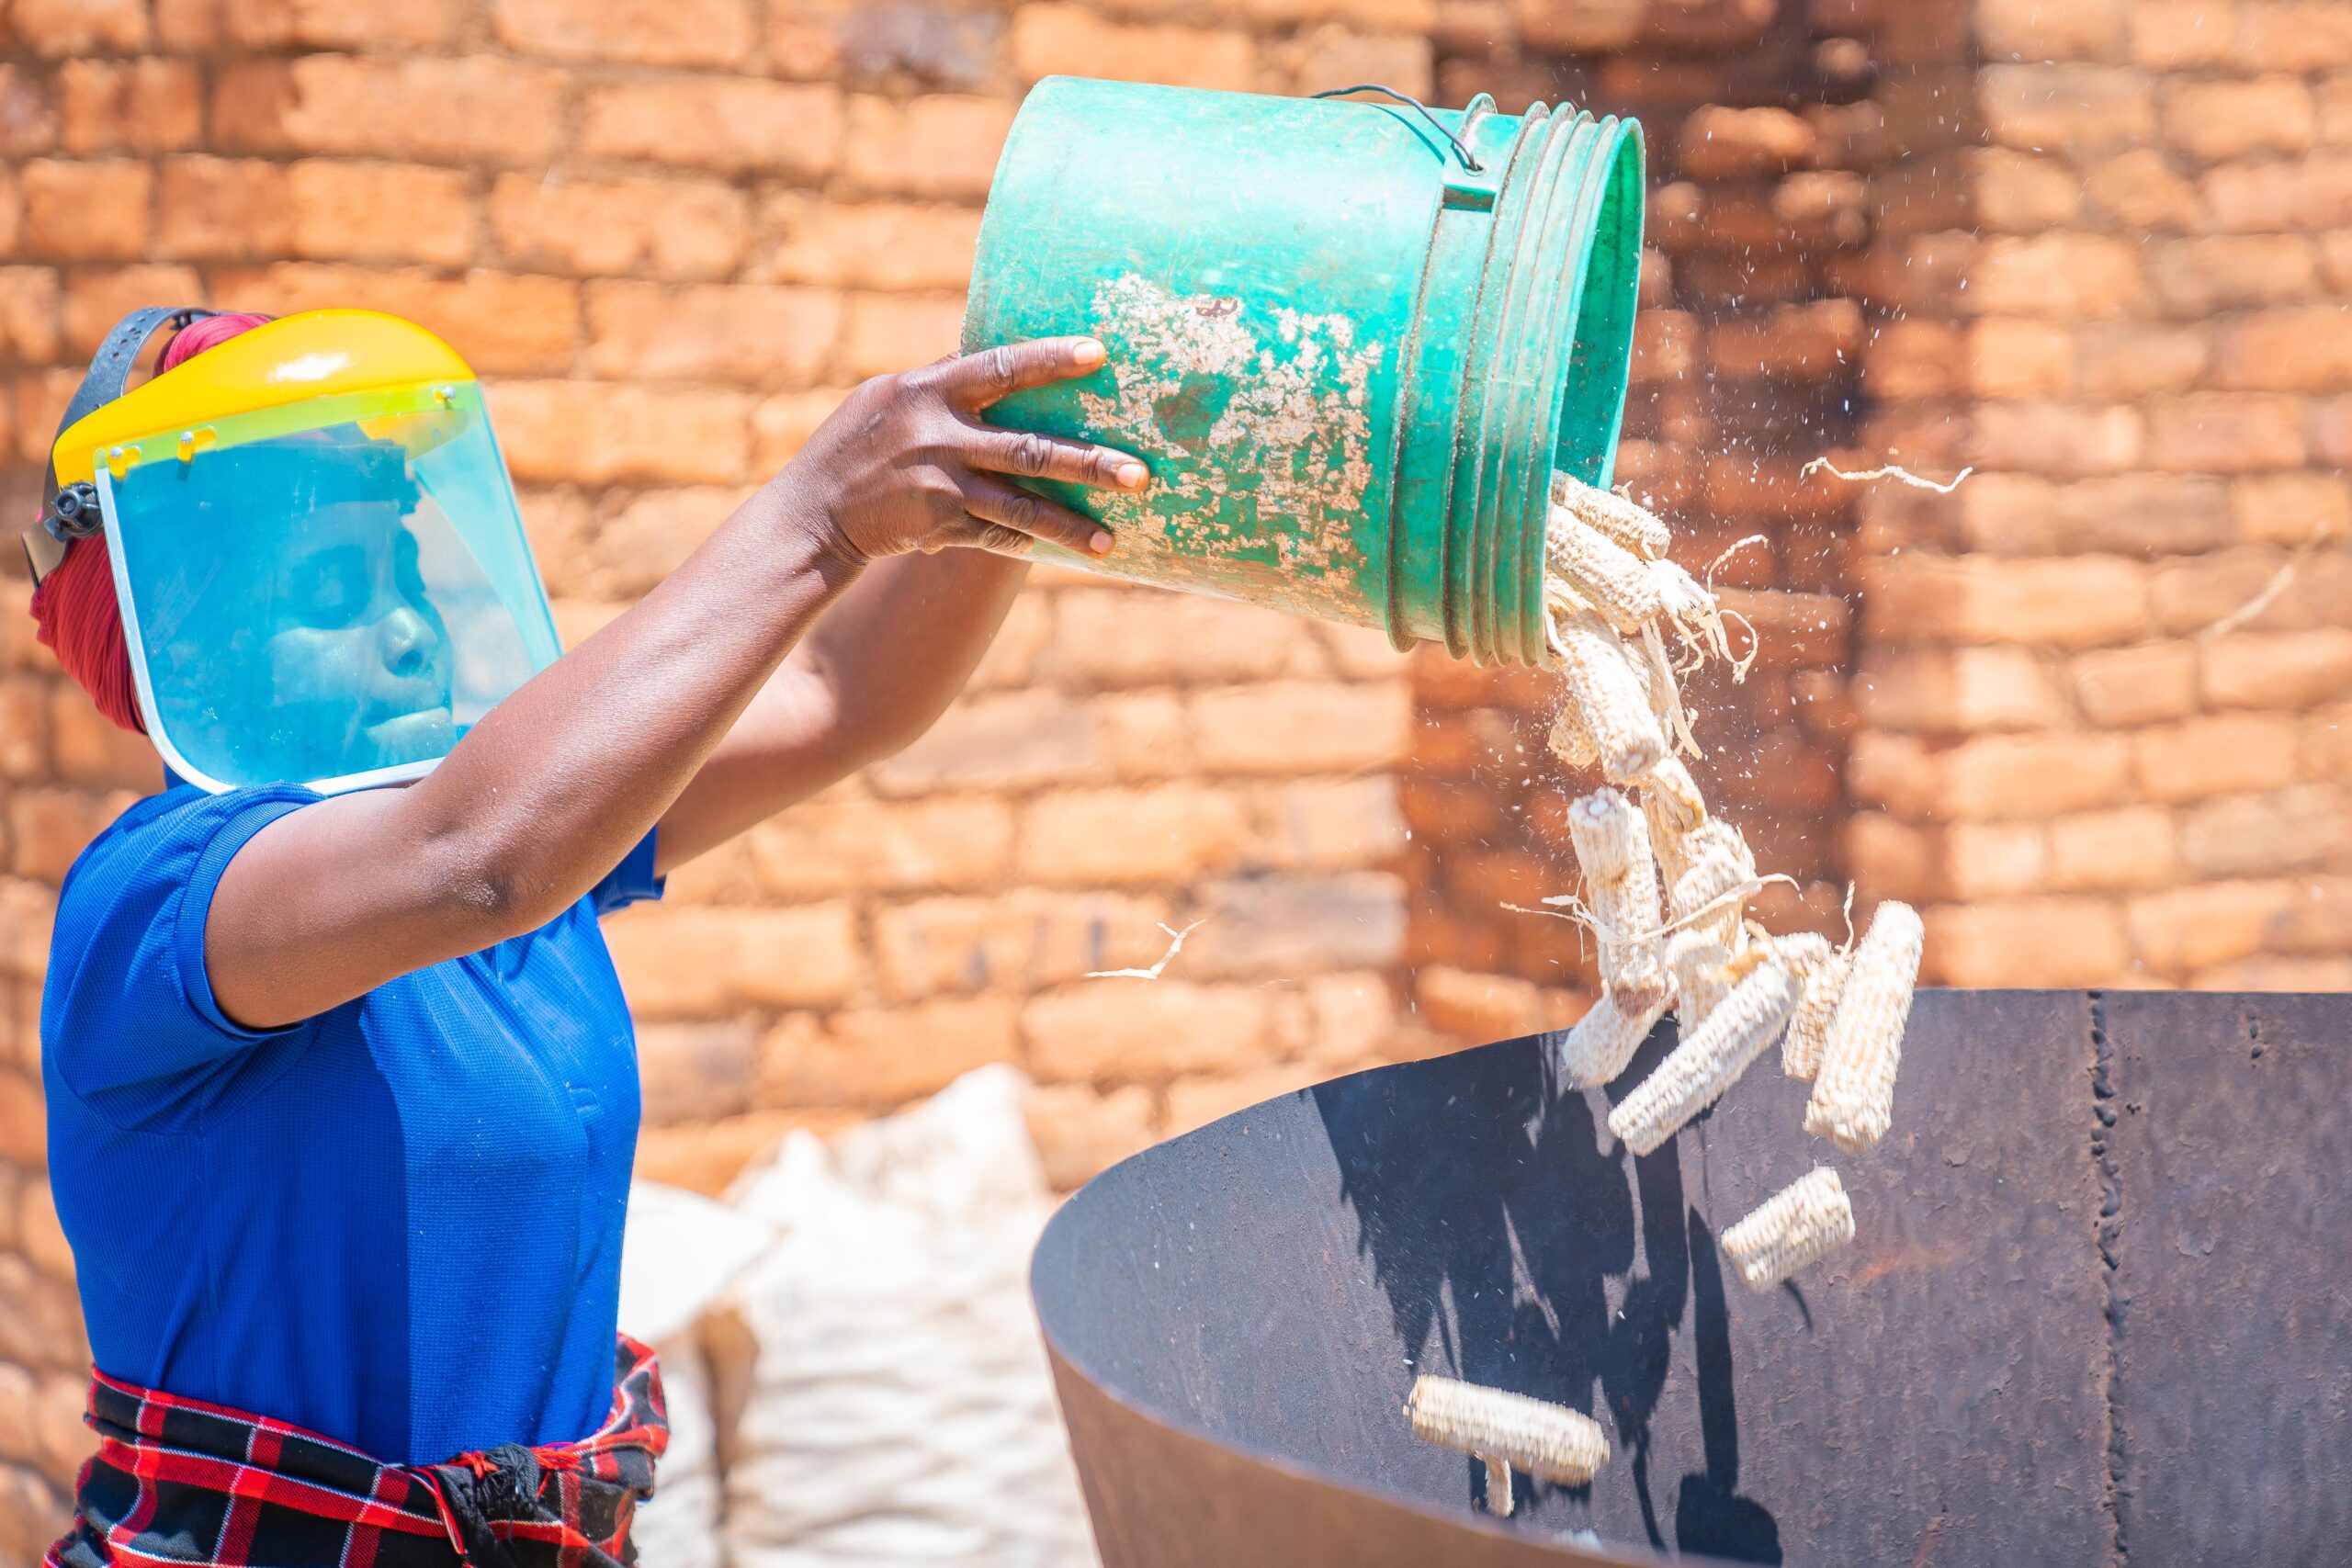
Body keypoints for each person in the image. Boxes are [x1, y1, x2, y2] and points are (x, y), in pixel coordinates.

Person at [26, 306, 1147, 1566]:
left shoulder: (516, 850)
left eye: (402, 565)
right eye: (338, 588)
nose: (407, 623)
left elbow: (842, 697)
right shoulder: (166, 900)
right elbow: (472, 862)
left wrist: (1014, 469)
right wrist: (817, 519)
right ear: (189, 637)